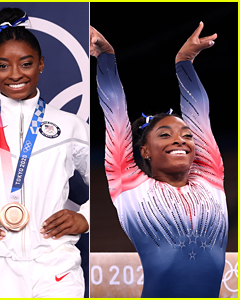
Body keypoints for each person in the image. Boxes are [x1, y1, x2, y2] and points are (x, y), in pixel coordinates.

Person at [0, 7, 88, 298]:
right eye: (3, 65)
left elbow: (117, 176)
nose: (16, 75)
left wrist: (86, 216)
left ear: (41, 64)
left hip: (57, 261)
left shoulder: (70, 126)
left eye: (26, 63)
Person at [90, 22, 228, 298]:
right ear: (144, 151)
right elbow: (115, 111)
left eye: (186, 135)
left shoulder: (210, 178)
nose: (180, 139)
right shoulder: (128, 184)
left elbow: (199, 113)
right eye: (165, 135)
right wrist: (106, 58)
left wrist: (184, 62)